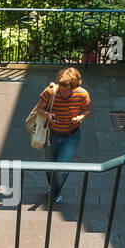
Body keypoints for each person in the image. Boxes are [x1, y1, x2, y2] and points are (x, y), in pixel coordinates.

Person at [33, 67, 92, 204]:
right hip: (51, 135)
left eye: (67, 90)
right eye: (61, 89)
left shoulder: (82, 95)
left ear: (75, 87)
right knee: (49, 166)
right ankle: (53, 188)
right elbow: (39, 109)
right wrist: (48, 114)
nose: (63, 92)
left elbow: (87, 109)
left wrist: (80, 116)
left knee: (63, 168)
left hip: (71, 137)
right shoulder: (50, 92)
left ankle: (55, 192)